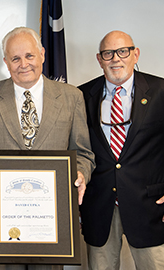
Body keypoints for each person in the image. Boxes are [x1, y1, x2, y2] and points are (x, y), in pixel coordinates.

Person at [0, 26, 95, 270]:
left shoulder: (71, 97)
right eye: (15, 58)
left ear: (42, 53)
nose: (24, 64)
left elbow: (83, 153)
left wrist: (82, 173)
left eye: (29, 56)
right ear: (6, 62)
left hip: (52, 223)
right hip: (1, 223)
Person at [78, 30, 164, 269]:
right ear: (99, 59)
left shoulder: (160, 91)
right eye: (108, 53)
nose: (116, 58)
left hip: (150, 206)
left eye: (123, 51)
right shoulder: (81, 96)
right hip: (99, 206)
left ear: (135, 54)